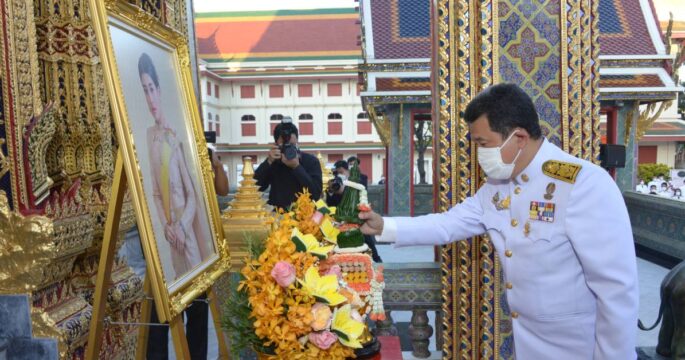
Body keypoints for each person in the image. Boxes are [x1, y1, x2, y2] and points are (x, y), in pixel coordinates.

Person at [359, 83, 638, 359]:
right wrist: (384, 226)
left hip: (578, 348)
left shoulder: (583, 184)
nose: (480, 153)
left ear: (518, 137)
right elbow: (448, 223)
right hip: (527, 343)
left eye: (483, 144)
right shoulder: (499, 186)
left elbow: (616, 291)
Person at [139, 53, 211, 280]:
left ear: (159, 90)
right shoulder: (150, 136)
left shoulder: (176, 136)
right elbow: (156, 194)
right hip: (171, 237)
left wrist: (182, 226)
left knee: (197, 293)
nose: (150, 98)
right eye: (145, 90)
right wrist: (167, 227)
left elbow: (192, 194)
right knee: (177, 294)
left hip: (186, 233)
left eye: (152, 88)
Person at [254, 118, 322, 210]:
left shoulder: (311, 161)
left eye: (292, 145)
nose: (288, 149)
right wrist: (268, 162)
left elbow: (316, 194)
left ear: (298, 142)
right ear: (276, 145)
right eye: (284, 145)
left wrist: (297, 167)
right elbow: (255, 189)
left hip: (305, 217)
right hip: (277, 217)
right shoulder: (274, 161)